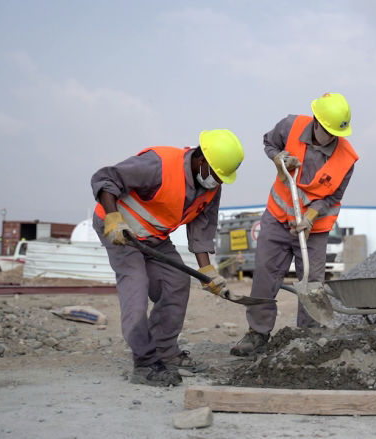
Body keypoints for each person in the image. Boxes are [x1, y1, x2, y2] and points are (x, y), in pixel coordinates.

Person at [91, 130, 244, 386]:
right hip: (120, 230)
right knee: (135, 286)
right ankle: (145, 364)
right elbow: (106, 178)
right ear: (201, 159)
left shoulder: (210, 187)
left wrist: (207, 271)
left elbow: (201, 230)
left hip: (155, 237)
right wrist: (113, 218)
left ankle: (164, 351)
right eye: (216, 174)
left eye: (222, 178)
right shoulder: (159, 164)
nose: (217, 182)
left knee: (177, 281)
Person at [230, 93, 358, 357]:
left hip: (315, 230)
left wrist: (311, 217)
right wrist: (278, 159)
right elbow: (269, 143)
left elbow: (333, 197)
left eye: (337, 133)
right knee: (265, 277)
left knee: (312, 285)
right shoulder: (290, 126)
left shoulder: (347, 158)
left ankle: (307, 338)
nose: (332, 137)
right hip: (277, 219)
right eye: (328, 131)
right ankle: (257, 334)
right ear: (316, 121)